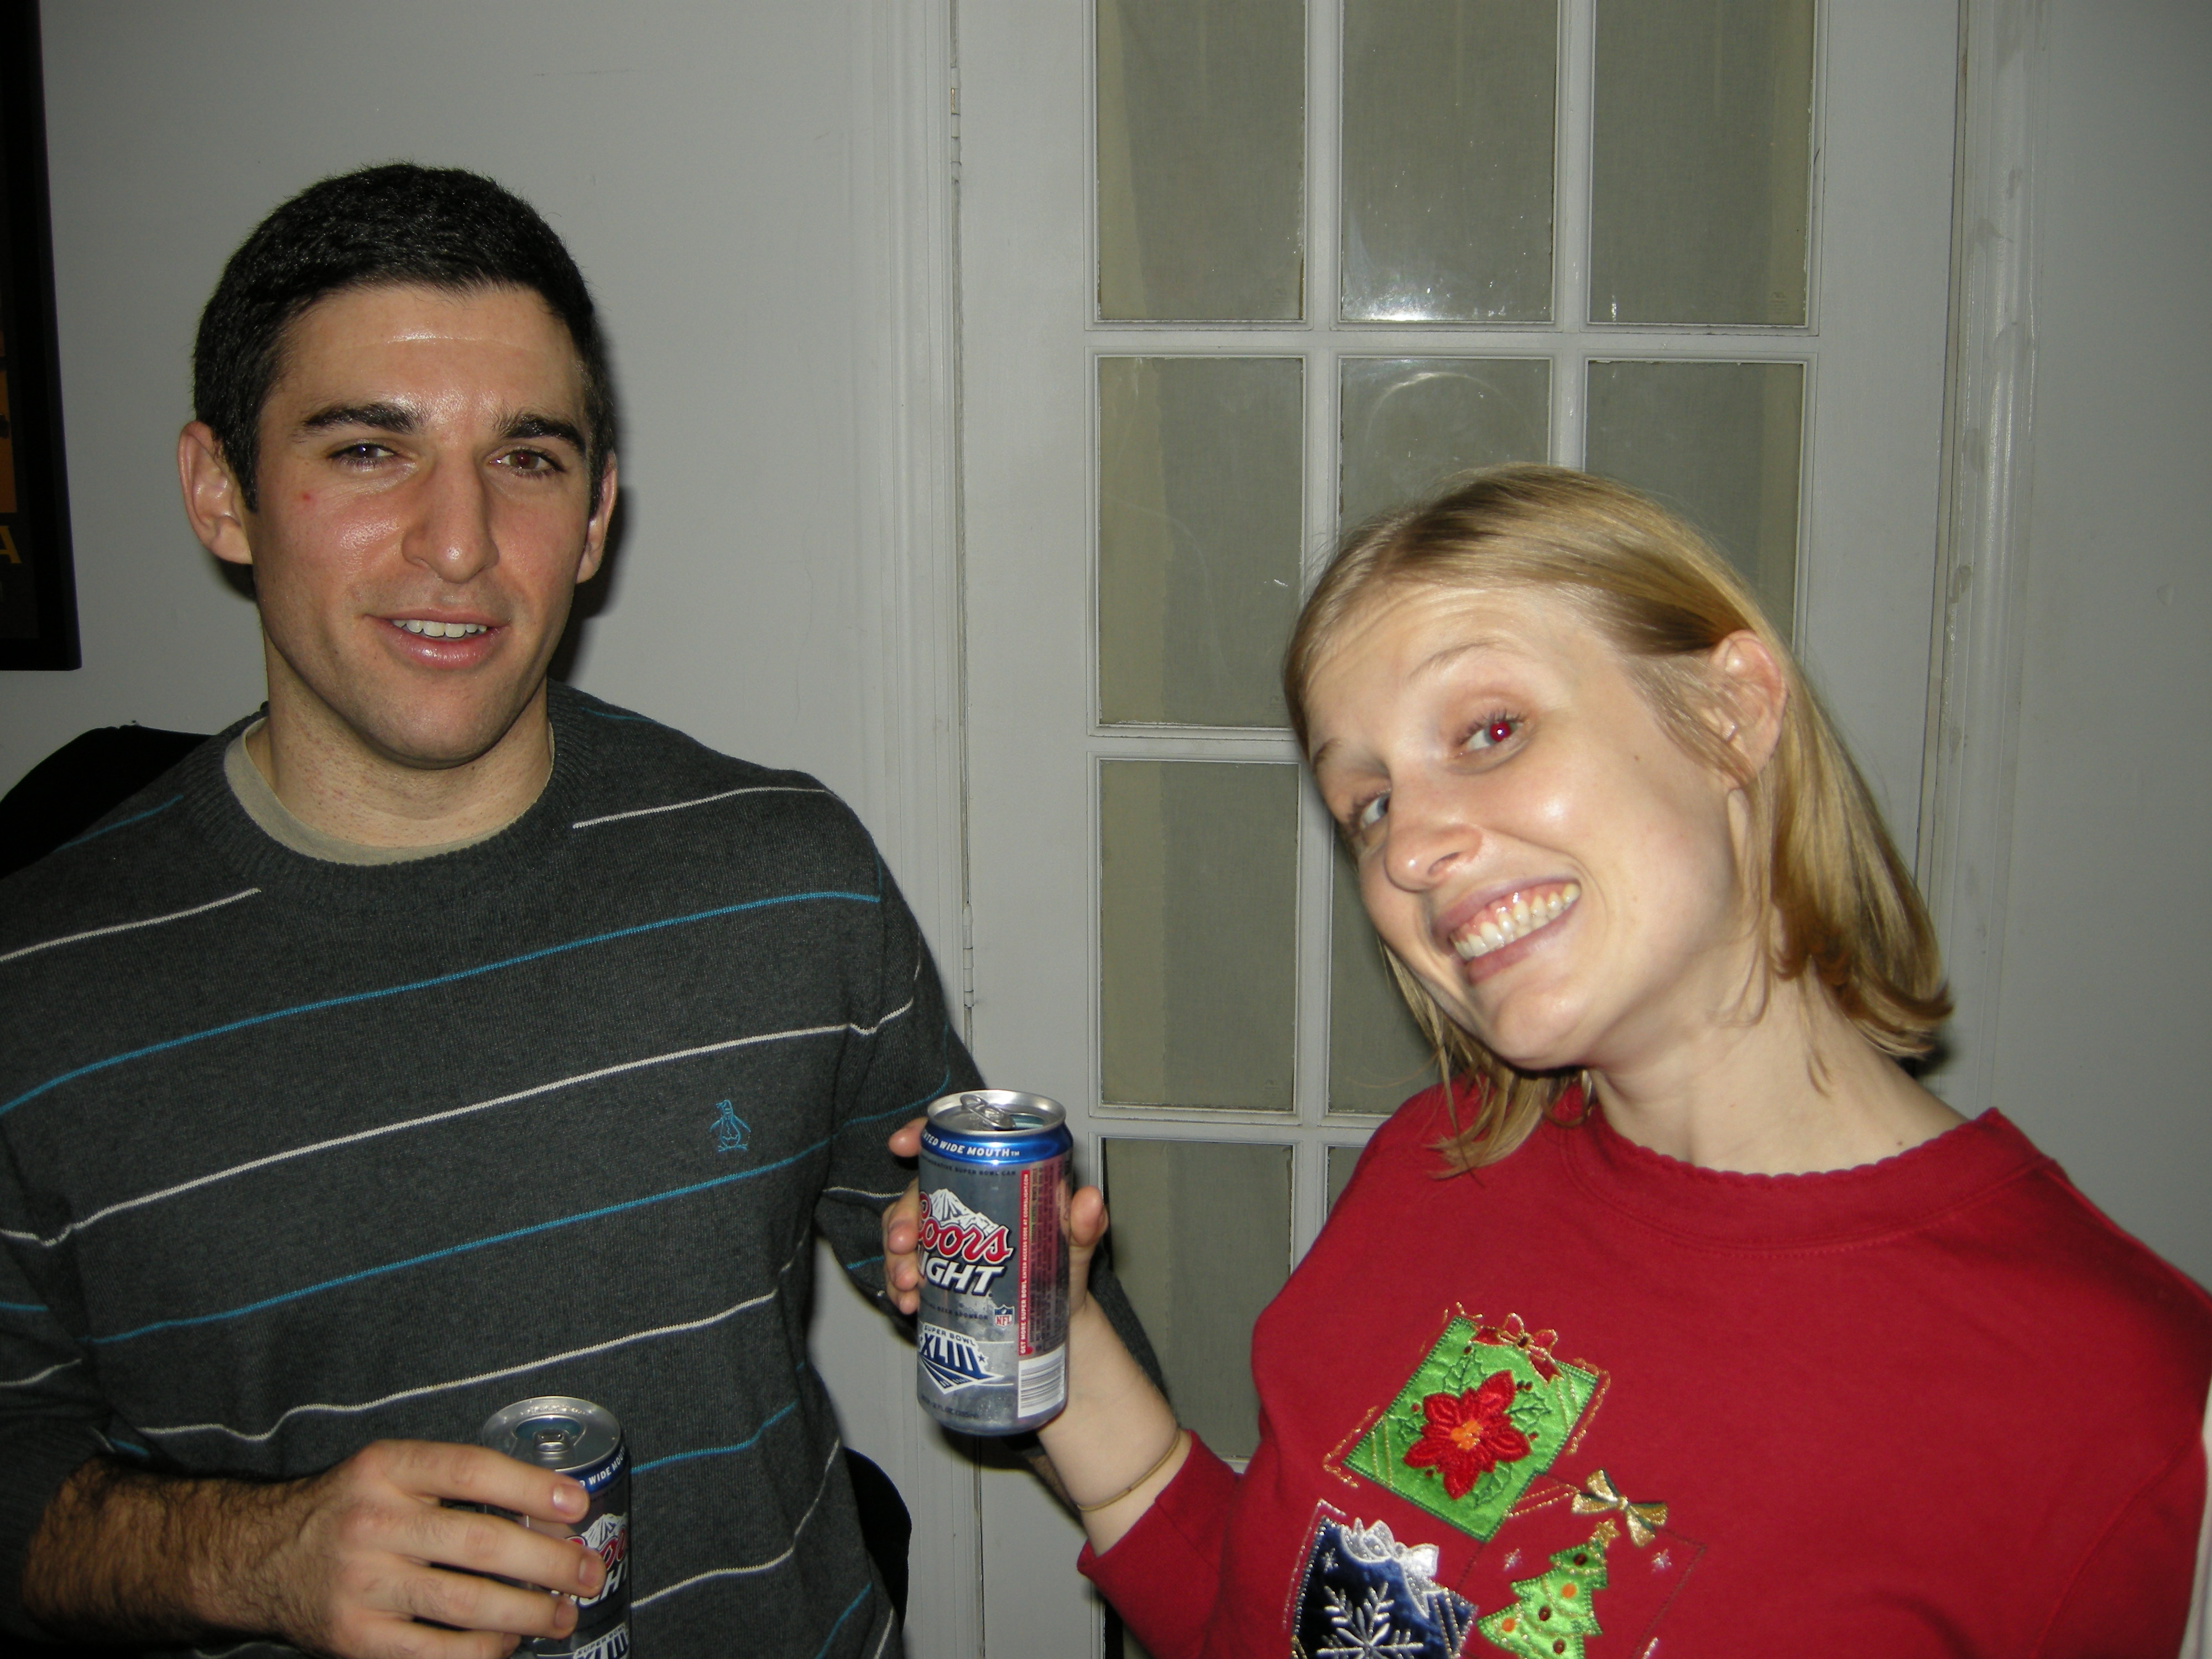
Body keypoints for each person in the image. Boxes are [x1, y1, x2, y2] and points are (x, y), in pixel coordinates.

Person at [0, 163, 1155, 1659]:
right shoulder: (37, 986)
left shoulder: (786, 877)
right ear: (222, 491)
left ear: (597, 515)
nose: (459, 541)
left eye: (528, 459)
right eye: (369, 450)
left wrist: (1067, 1342)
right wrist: (257, 1557)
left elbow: (1001, 1304)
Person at [888, 465, 2212, 1655]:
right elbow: (1280, 1619)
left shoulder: (2115, 1402)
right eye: (1368, 804)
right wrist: (1049, 1334)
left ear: (1730, 712)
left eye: (1488, 731)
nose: (1409, 851)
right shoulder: (1439, 1167)